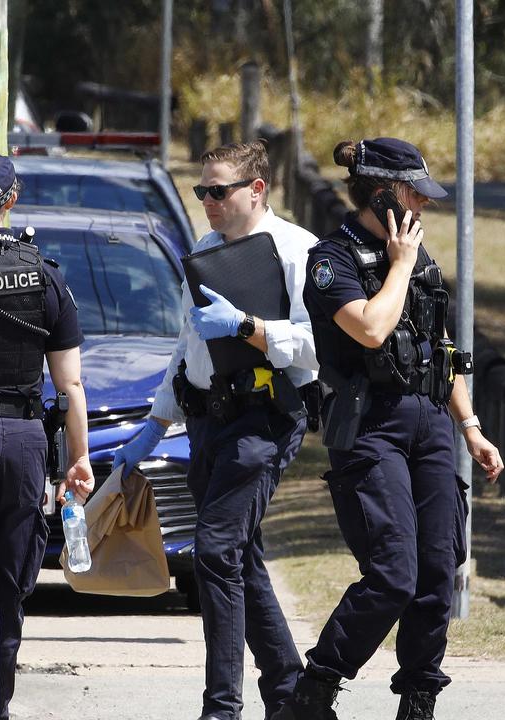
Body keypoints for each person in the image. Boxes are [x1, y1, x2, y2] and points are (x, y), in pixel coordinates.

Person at [278, 138, 505, 720]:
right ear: (381, 196)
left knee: (437, 568)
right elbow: (373, 331)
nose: (423, 208)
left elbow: (441, 350)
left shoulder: (419, 259)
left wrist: (472, 428)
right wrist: (400, 265)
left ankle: (419, 698)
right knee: (393, 574)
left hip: (431, 424)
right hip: (372, 427)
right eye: (413, 196)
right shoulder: (332, 260)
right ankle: (317, 686)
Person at [113, 142, 320, 720]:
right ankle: (290, 696)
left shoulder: (297, 251)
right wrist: (155, 424)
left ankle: (221, 708)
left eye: (218, 190)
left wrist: (250, 327)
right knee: (237, 556)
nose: (206, 200)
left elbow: (319, 346)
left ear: (256, 189)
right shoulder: (203, 251)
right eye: (201, 190)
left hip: (265, 420)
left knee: (215, 549)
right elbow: (188, 345)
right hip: (207, 421)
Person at [0, 148, 94, 720]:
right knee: (11, 586)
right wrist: (76, 460)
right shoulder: (47, 275)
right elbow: (72, 386)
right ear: (13, 199)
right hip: (28, 441)